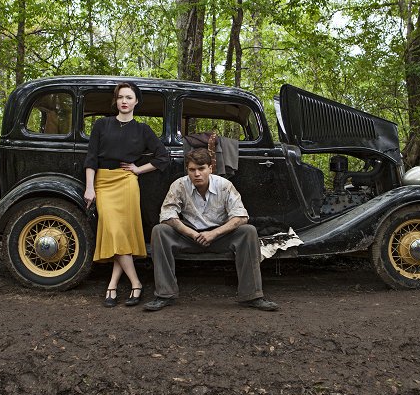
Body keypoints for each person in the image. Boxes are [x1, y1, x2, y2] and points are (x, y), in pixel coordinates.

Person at [144, 148, 278, 311]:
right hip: (190, 235)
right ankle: (165, 295)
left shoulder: (224, 185)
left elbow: (241, 216)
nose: (197, 174)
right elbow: (167, 214)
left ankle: (252, 296)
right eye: (192, 170)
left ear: (210, 168)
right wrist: (191, 233)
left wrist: (214, 233)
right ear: (187, 170)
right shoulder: (179, 185)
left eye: (201, 169)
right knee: (160, 231)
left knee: (248, 231)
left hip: (219, 235)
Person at [83, 82, 169, 308]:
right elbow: (91, 158)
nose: (124, 101)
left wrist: (139, 169)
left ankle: (112, 286)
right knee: (113, 231)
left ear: (136, 101)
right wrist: (89, 187)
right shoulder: (102, 125)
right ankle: (136, 282)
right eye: (121, 97)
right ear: (116, 100)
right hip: (103, 182)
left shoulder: (143, 129)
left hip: (127, 183)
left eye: (129, 97)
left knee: (120, 235)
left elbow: (163, 157)